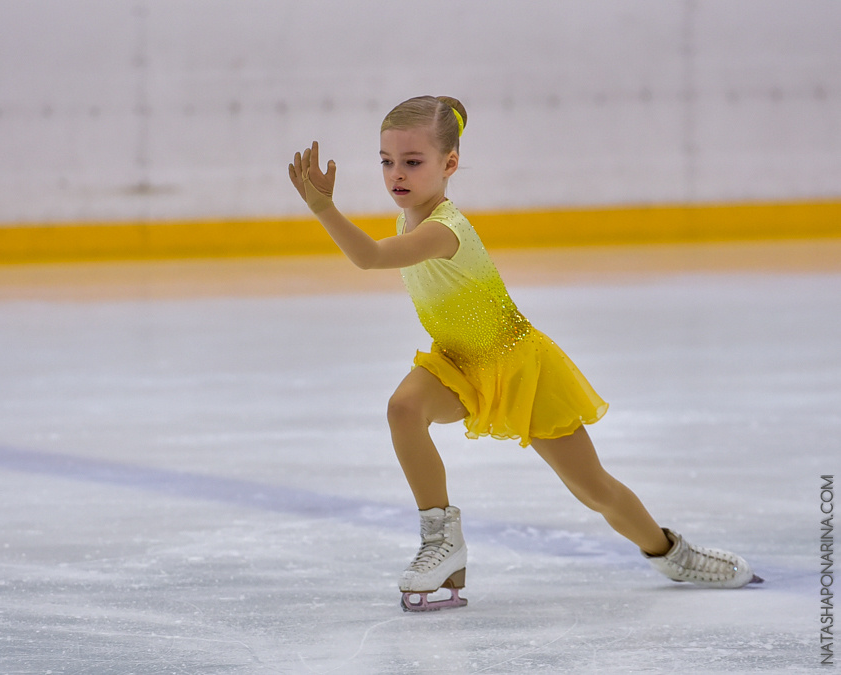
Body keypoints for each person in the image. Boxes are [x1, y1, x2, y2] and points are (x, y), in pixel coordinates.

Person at [288, 95, 761, 612]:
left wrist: (322, 208)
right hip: (460, 363)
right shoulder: (412, 219)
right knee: (403, 409)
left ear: (449, 165)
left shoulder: (443, 230)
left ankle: (672, 553)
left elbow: (369, 257)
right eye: (386, 161)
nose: (396, 174)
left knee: (594, 489)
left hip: (518, 366)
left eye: (412, 162)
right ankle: (441, 540)